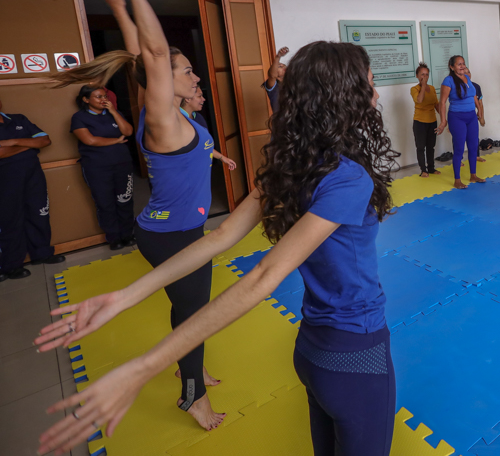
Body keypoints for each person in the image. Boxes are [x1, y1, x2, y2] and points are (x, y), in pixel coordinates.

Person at [37, 41, 400, 456]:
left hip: (312, 350)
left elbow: (219, 237)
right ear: (345, 95)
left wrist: (125, 296)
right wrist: (144, 366)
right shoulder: (347, 178)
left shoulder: (294, 163)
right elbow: (262, 276)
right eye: (369, 84)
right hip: (357, 352)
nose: (374, 93)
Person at [49, 0, 225, 430]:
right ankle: (192, 395)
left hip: (173, 230)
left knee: (187, 307)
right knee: (195, 315)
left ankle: (189, 362)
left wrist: (122, 8)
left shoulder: (181, 115)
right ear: (163, 82)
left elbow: (137, 51)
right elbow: (149, 54)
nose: (193, 73)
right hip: (174, 236)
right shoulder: (164, 118)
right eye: (186, 69)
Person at [0, 98, 63, 281]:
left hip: (33, 175)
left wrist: (11, 142)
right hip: (5, 179)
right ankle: (11, 266)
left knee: (39, 212)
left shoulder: (18, 119)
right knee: (10, 219)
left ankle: (42, 253)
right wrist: (28, 146)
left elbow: (45, 140)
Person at [70, 85, 136, 251]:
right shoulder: (79, 117)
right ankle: (114, 237)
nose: (103, 99)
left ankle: (127, 234)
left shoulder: (114, 113)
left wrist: (114, 112)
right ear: (86, 100)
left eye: (104, 96)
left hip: (122, 164)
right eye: (98, 97)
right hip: (97, 167)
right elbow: (90, 140)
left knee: (125, 199)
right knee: (105, 203)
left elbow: (127, 131)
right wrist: (115, 141)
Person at [437, 55, 484, 189]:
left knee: (473, 146)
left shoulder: (467, 78)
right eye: (459, 64)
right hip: (457, 117)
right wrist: (443, 121)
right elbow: (442, 102)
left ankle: (473, 175)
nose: (462, 66)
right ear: (452, 67)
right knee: (459, 149)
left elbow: (474, 95)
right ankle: (457, 179)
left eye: (463, 63)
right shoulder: (448, 80)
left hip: (471, 117)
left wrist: (479, 110)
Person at [181, 87, 238, 171]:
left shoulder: (199, 117)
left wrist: (222, 158)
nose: (203, 99)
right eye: (199, 96)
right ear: (187, 99)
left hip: (203, 171)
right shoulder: (177, 121)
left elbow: (204, 145)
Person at [410, 63, 440, 177]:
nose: (424, 77)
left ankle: (431, 168)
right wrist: (423, 86)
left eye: (427, 75)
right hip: (419, 122)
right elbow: (420, 100)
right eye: (422, 74)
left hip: (432, 121)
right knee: (421, 147)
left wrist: (443, 118)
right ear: (417, 76)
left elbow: (436, 105)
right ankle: (423, 170)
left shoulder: (432, 88)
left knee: (431, 146)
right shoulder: (414, 89)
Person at [263, 46, 289, 113]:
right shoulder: (274, 87)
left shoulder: (292, 83)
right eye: (279, 66)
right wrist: (278, 56)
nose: (283, 66)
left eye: (283, 65)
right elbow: (272, 76)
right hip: (282, 119)